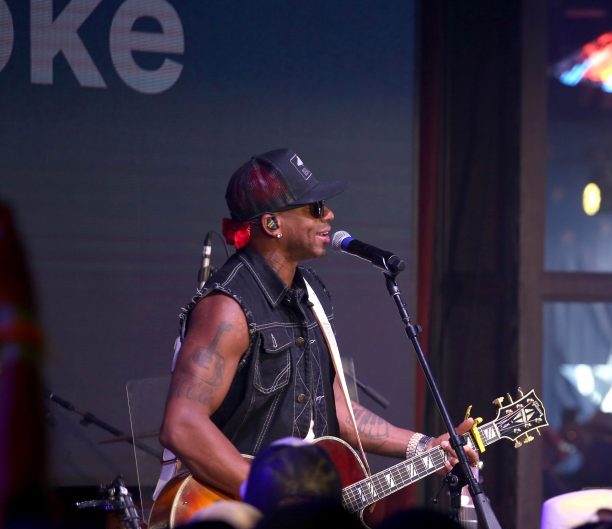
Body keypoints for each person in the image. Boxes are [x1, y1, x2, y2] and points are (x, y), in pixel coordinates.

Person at [159, 148, 472, 507]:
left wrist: (423, 446)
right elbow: (182, 424)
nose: (330, 215)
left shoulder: (311, 295)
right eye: (315, 208)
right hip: (240, 521)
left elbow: (336, 410)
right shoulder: (228, 308)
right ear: (272, 224)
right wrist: (270, 494)